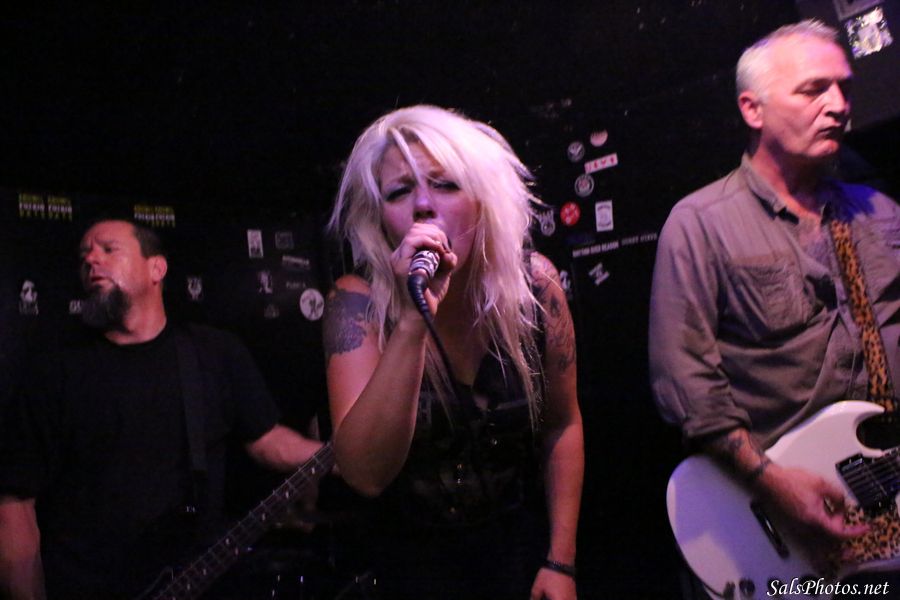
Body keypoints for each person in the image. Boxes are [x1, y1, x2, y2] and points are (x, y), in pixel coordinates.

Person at [649, 18, 900, 577]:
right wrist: (773, 482)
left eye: (844, 88)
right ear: (753, 110)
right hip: (781, 522)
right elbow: (685, 384)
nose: (838, 105)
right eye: (814, 90)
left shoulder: (881, 213)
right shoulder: (700, 224)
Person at [323, 105, 584, 599]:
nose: (423, 205)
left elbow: (562, 424)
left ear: (483, 200)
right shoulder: (356, 304)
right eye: (399, 192)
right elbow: (364, 473)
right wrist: (411, 320)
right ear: (380, 221)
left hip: (516, 559)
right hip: (410, 573)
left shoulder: (535, 288)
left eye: (445, 185)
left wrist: (561, 560)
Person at [0, 219, 323, 599]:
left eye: (108, 249)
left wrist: (341, 456)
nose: (91, 260)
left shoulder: (213, 353)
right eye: (84, 254)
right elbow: (15, 502)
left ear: (157, 268)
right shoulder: (56, 371)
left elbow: (267, 441)